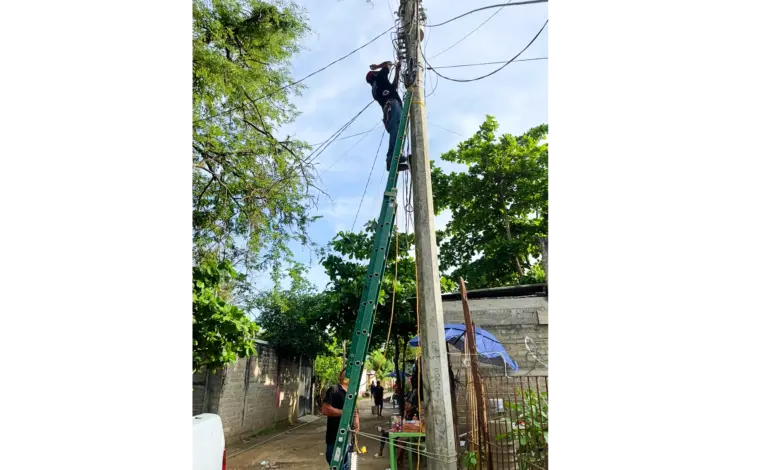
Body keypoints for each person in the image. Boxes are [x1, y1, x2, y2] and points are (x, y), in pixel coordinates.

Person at [366, 61, 409, 172]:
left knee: (398, 131)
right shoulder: (379, 77)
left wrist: (397, 71)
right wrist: (378, 66)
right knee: (396, 129)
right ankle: (392, 158)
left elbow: (393, 87)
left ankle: (394, 158)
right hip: (392, 104)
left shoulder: (375, 89)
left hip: (391, 106)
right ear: (374, 75)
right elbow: (388, 63)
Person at [321, 369, 359, 470]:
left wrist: (356, 421)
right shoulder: (334, 390)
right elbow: (325, 409)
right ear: (340, 376)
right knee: (333, 460)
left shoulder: (352, 392)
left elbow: (355, 409)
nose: (348, 374)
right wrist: (344, 413)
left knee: (346, 463)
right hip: (334, 436)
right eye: (346, 371)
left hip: (348, 437)